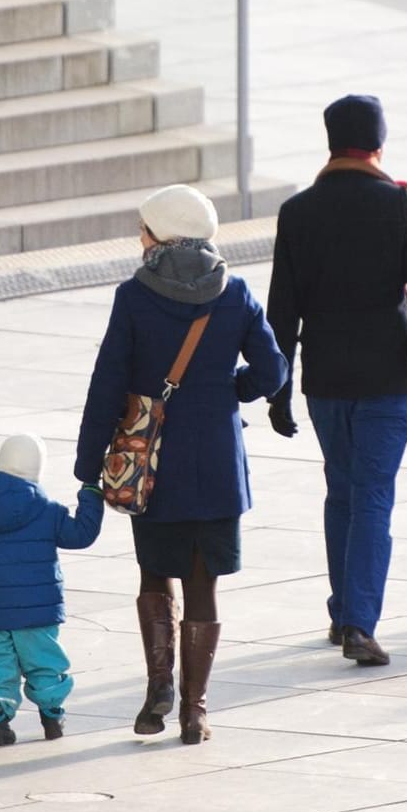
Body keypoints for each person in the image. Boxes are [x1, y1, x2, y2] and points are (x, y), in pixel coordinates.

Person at [266, 94, 407, 666]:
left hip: (324, 382)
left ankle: (345, 607)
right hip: (386, 379)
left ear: (329, 143)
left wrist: (278, 388)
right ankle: (359, 624)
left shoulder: (297, 213)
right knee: (371, 497)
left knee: (341, 489)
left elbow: (281, 312)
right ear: (378, 145)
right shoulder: (397, 206)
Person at [75, 184, 288, 745]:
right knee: (203, 582)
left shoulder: (134, 296)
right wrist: (226, 390)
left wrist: (87, 459)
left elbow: (108, 382)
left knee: (154, 572)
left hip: (153, 460)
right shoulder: (235, 291)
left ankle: (157, 694)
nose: (139, 238)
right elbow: (273, 372)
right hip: (216, 457)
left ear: (160, 236)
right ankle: (195, 713)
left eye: (143, 229)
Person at [0, 434, 104, 747]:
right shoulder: (48, 512)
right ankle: (52, 717)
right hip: (38, 612)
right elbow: (81, 535)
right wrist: (91, 494)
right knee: (43, 663)